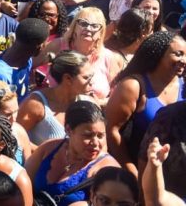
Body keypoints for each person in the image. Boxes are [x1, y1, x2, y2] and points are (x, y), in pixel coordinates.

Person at [105, 32, 186, 170]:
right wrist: (130, 170)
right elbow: (112, 130)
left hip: (174, 172)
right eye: (178, 54)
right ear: (158, 54)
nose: (184, 60)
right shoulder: (133, 86)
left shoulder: (184, 86)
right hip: (137, 167)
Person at [25, 100, 120, 206]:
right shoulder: (49, 148)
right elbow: (23, 182)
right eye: (88, 135)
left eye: (100, 136)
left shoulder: (108, 170)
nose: (95, 143)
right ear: (68, 130)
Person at [16, 51, 93, 146]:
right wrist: (44, 152)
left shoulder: (88, 104)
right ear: (68, 78)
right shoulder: (36, 105)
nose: (91, 82)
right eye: (86, 78)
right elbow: (16, 137)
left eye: (92, 77)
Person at [0, 18, 51, 100]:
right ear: (40, 47)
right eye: (46, 42)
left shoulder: (27, 61)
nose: (47, 45)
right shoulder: (0, 75)